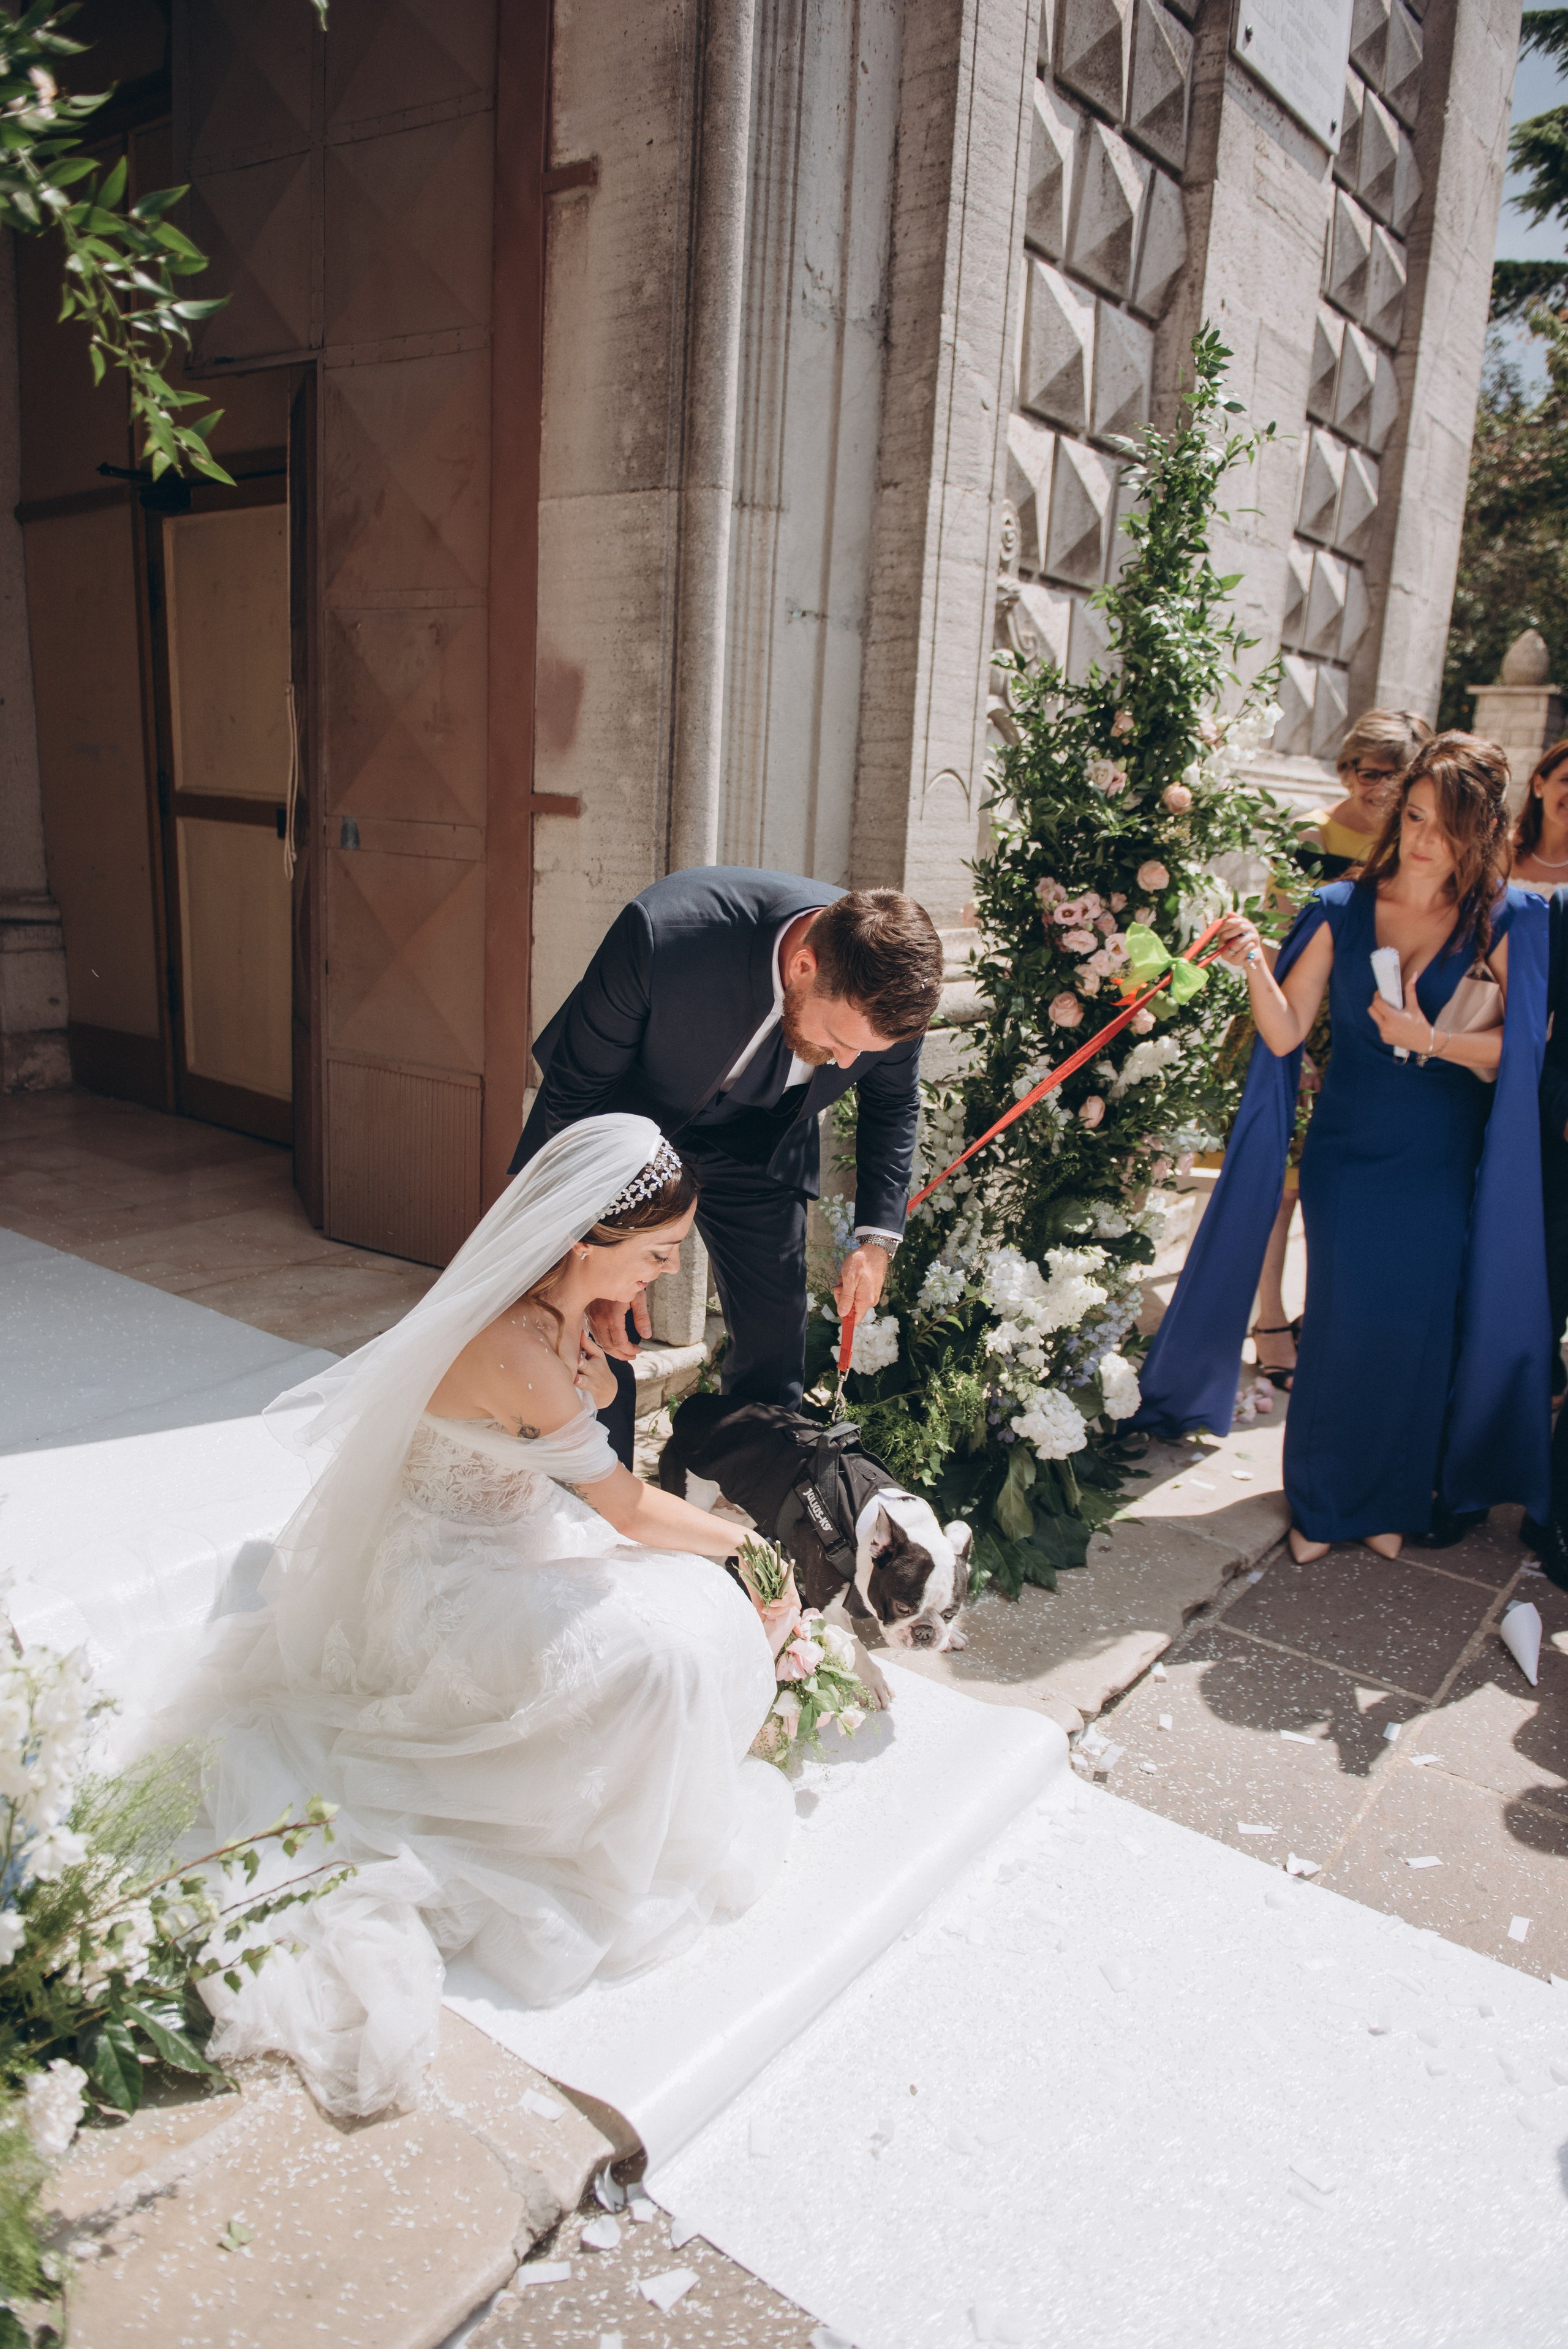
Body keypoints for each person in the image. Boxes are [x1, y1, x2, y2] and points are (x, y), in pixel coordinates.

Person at [177, 1117, 801, 2118]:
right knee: (657, 1651)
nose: (661, 1276)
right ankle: (576, 1813)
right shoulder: (512, 1346)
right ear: (581, 1242)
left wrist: (603, 1330)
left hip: (524, 1544)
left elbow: (598, 1481)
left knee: (691, 1616)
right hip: (442, 1586)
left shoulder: (562, 1317)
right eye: (652, 1258)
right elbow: (628, 1506)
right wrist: (756, 1545)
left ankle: (612, 1791)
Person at [1134, 733, 1551, 1560]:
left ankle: (1390, 1500)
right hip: (1349, 1150)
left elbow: (1524, 1046)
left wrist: (1430, 1038)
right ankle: (1322, 1504)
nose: (1429, 839)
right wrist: (1254, 959)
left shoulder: (1501, 916)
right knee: (1343, 1322)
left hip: (1442, 1153)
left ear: (1481, 831)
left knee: (1415, 1328)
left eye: (1451, 825)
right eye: (1419, 816)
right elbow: (1287, 1028)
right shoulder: (1340, 906)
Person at [513, 873, 945, 1463]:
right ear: (803, 967)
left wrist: (876, 1242)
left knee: (776, 1330)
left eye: (865, 1054)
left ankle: (749, 1490)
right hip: (639, 1133)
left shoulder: (888, 996)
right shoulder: (667, 935)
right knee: (602, 1312)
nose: (849, 1063)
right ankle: (595, 1480)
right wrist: (592, 1242)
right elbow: (575, 1092)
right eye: (841, 1039)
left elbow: (892, 1103)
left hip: (766, 1147)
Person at [1250, 708, 1434, 1387]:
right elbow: (1272, 938)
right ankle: (1269, 1319)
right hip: (1301, 1031)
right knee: (1281, 1191)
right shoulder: (1311, 839)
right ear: (1344, 771)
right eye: (1365, 771)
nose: (1377, 787)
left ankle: (1321, 1323)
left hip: (1374, 1037)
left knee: (1336, 1192)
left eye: (1393, 774)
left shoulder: (1411, 849)